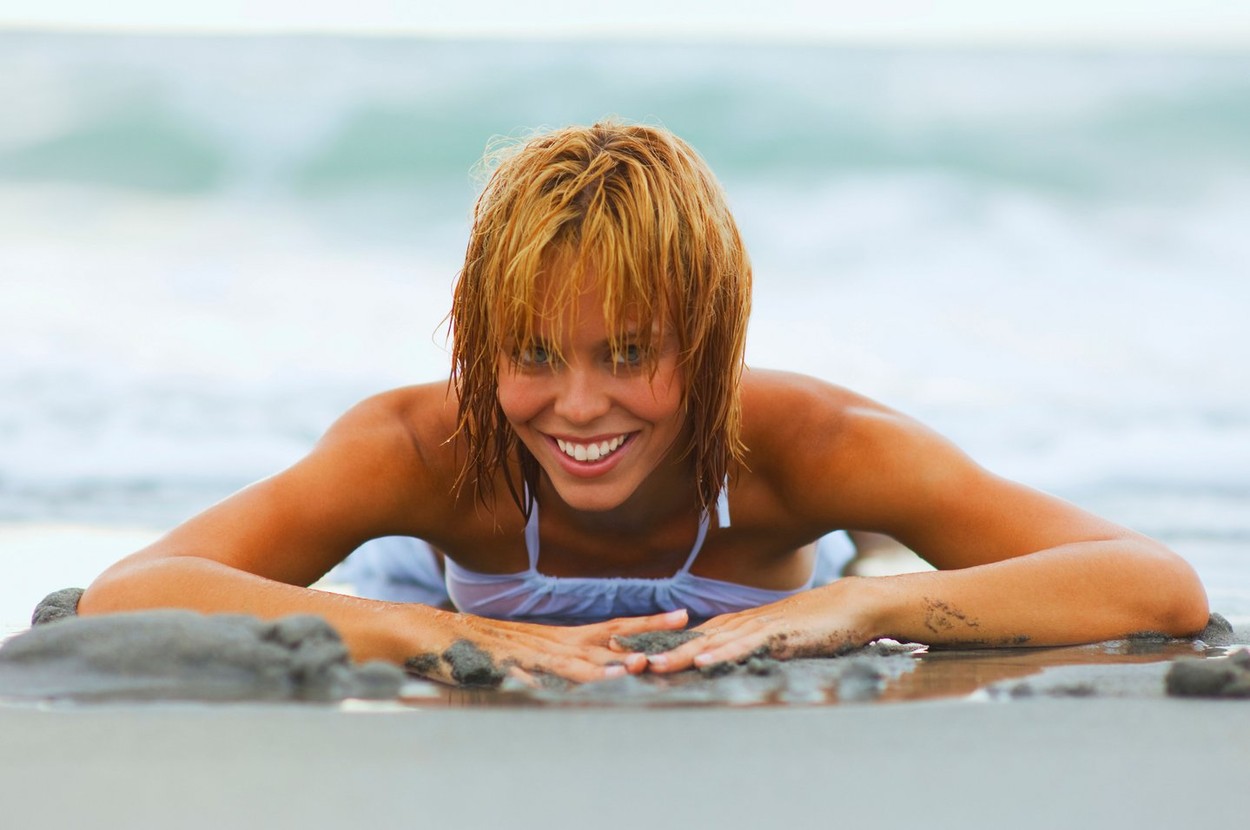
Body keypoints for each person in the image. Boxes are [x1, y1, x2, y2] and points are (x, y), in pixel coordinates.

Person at [79, 120, 1209, 685]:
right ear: (477, 343)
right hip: (439, 584)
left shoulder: (811, 442)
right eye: (528, 352)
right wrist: (445, 630)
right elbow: (129, 594)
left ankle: (856, 558)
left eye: (628, 354)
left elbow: (1154, 584)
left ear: (711, 340)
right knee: (399, 572)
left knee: (854, 566)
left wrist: (864, 612)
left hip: (793, 567)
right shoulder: (419, 445)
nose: (576, 406)